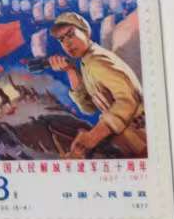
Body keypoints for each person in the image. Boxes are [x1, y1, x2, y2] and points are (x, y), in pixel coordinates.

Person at [43, 12, 147, 158]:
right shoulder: (88, 60)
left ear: (85, 32)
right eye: (61, 39)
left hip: (140, 137)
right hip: (129, 135)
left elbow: (127, 100)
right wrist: (70, 71)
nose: (67, 43)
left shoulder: (97, 61)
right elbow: (88, 108)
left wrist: (92, 137)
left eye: (71, 34)